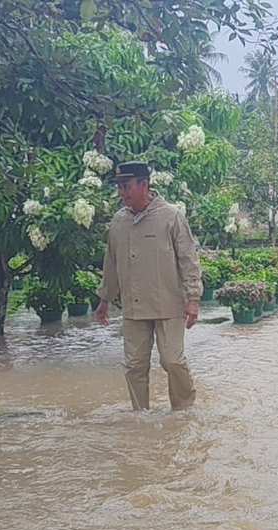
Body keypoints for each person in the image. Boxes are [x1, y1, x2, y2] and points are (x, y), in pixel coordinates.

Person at [95, 161, 202, 412]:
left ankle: (184, 411)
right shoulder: (118, 222)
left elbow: (188, 259)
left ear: (144, 185)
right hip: (134, 306)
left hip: (169, 303)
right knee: (134, 366)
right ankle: (140, 416)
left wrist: (193, 299)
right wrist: (105, 299)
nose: (122, 192)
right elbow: (111, 263)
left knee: (173, 361)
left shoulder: (171, 216)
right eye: (120, 187)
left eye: (127, 186)